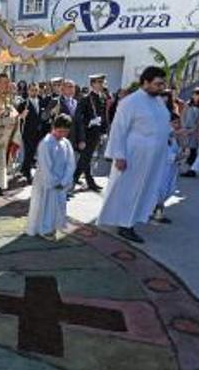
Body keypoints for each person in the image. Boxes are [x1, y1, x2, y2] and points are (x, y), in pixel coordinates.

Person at [97, 66, 172, 244]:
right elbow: (118, 130)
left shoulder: (158, 102)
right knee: (130, 190)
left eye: (162, 84)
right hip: (134, 156)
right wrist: (119, 155)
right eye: (158, 84)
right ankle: (125, 225)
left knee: (145, 189)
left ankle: (133, 218)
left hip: (153, 156)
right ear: (145, 82)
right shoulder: (130, 102)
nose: (161, 88)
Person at [26, 115, 77, 240]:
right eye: (60, 131)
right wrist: (54, 181)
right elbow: (45, 165)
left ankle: (53, 226)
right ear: (54, 127)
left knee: (57, 205)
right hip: (46, 181)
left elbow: (71, 164)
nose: (62, 134)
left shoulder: (66, 143)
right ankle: (44, 229)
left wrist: (65, 180)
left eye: (65, 132)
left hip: (61, 181)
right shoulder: (46, 143)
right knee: (45, 205)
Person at [73, 74, 108, 192]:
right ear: (92, 84)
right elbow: (78, 118)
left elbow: (104, 116)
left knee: (86, 159)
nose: (101, 84)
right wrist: (90, 122)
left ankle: (88, 181)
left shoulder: (102, 97)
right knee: (85, 158)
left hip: (96, 133)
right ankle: (73, 180)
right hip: (87, 133)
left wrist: (103, 131)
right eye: (99, 82)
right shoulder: (85, 99)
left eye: (102, 82)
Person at [153, 113, 188, 223]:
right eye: (174, 123)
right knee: (161, 190)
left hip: (171, 169)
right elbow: (166, 154)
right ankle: (157, 213)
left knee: (169, 189)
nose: (177, 125)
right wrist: (179, 156)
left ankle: (156, 211)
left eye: (178, 123)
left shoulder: (174, 137)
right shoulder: (164, 136)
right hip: (163, 169)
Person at [19, 83, 45, 184]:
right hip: (27, 132)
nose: (34, 92)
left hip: (38, 132)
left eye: (35, 90)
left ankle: (24, 168)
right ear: (28, 91)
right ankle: (27, 173)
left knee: (33, 152)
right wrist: (22, 116)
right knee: (29, 152)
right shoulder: (24, 104)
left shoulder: (42, 102)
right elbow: (18, 117)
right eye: (32, 90)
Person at [180, 87, 199, 175]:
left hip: (195, 131)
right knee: (183, 148)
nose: (195, 96)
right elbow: (183, 116)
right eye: (194, 94)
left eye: (197, 94)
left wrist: (193, 129)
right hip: (185, 130)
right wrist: (183, 128)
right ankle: (181, 167)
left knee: (193, 150)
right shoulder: (187, 104)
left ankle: (190, 169)